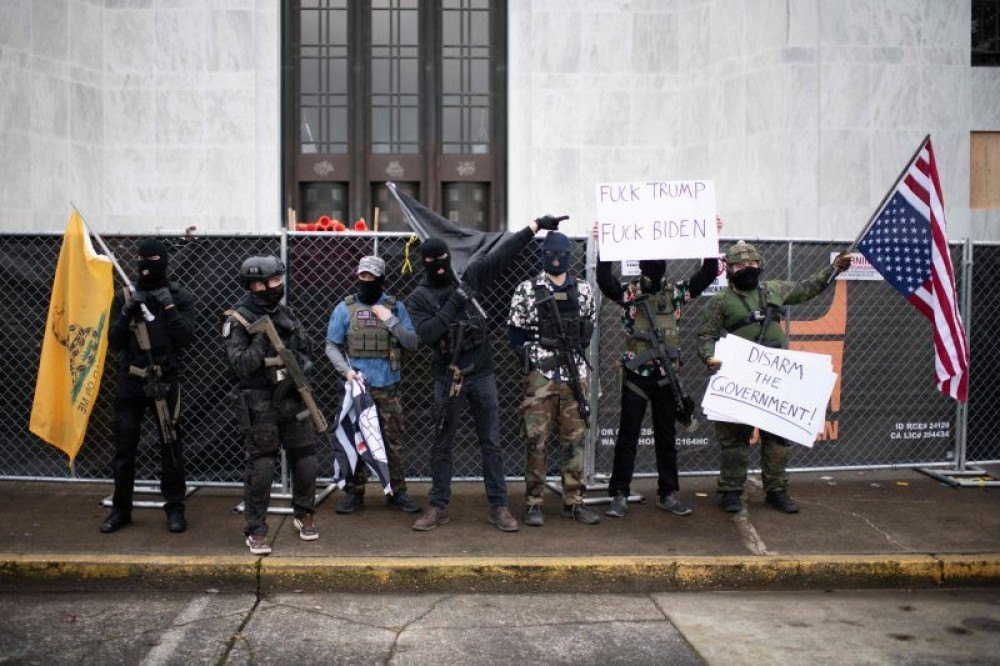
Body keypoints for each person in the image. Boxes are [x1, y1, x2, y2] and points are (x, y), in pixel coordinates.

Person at [407, 215, 564, 532]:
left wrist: (535, 226)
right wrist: (457, 301)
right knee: (442, 443)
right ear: (423, 263)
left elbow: (503, 255)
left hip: (481, 371)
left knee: (491, 441)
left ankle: (499, 506)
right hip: (447, 375)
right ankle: (438, 506)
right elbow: (428, 334)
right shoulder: (418, 298)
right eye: (432, 262)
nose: (439, 265)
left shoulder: (469, 277)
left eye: (443, 260)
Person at [698, 241, 851, 514]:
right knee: (734, 439)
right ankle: (732, 491)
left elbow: (807, 288)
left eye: (752, 263)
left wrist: (833, 269)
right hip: (740, 377)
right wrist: (709, 356)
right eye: (739, 265)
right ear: (729, 270)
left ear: (760, 265)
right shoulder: (721, 301)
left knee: (778, 436)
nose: (747, 268)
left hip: (778, 378)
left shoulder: (774, 289)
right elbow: (705, 335)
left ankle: (776, 490)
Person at [595, 219, 722, 519]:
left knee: (666, 438)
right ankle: (619, 493)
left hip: (666, 378)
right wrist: (605, 244)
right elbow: (604, 278)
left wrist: (711, 238)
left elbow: (707, 273)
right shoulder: (629, 295)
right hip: (636, 377)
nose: (652, 271)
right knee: (627, 436)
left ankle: (668, 492)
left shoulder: (675, 294)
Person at [223, 256, 320, 554]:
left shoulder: (284, 311)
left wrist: (295, 348)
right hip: (259, 401)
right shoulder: (237, 320)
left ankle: (304, 514)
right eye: (273, 282)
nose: (278, 286)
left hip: (291, 395)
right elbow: (241, 365)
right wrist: (262, 338)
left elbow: (308, 348)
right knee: (262, 465)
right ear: (257, 285)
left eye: (279, 280)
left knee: (305, 459)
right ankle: (256, 530)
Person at [101, 238, 196, 534]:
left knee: (170, 445)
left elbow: (186, 339)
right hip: (131, 381)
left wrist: (168, 306)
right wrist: (127, 312)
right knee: (124, 448)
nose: (147, 266)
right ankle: (121, 510)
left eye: (154, 259)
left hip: (165, 381)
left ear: (164, 262)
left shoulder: (179, 295)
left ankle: (175, 509)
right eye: (143, 259)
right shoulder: (125, 295)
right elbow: (114, 343)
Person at [508, 231, 600, 525]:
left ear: (569, 256)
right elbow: (515, 332)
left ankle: (574, 500)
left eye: (561, 254)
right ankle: (534, 502)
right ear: (543, 255)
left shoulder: (584, 290)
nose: (556, 259)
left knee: (575, 439)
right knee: (536, 439)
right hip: (541, 375)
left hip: (574, 372)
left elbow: (588, 329)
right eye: (551, 254)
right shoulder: (526, 289)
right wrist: (534, 357)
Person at [325, 255, 421, 514]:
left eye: (371, 276)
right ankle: (354, 493)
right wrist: (346, 372)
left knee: (393, 442)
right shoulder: (344, 308)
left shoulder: (395, 307)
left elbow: (411, 343)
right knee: (357, 440)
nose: (365, 280)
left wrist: (390, 320)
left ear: (381, 279)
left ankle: (397, 492)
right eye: (362, 276)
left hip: (388, 388)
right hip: (358, 388)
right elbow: (331, 345)